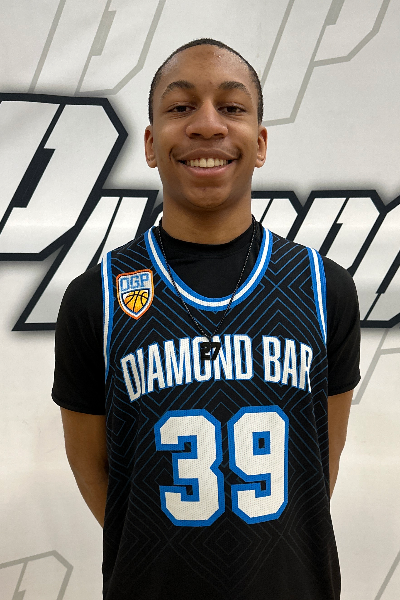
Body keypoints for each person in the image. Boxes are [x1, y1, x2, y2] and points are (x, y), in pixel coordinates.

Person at [53, 38, 360, 600]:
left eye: (232, 107)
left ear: (260, 143)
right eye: (181, 107)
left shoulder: (324, 289)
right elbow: (91, 465)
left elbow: (321, 463)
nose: (207, 125)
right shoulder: (95, 297)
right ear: (151, 144)